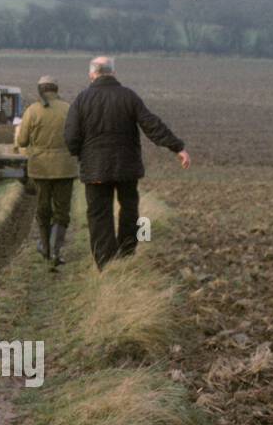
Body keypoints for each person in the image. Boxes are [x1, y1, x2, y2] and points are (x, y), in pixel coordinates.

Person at [64, 56, 191, 270]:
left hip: (95, 170)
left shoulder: (81, 99)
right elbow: (151, 124)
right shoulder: (129, 97)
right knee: (130, 209)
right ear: (113, 73)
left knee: (99, 214)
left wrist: (80, 154)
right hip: (127, 168)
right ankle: (127, 253)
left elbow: (71, 137)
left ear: (92, 74)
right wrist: (177, 147)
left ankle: (105, 263)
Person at [15, 76, 78, 271]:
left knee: (43, 210)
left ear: (40, 90)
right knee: (62, 211)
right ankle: (55, 251)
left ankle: (45, 248)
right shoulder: (69, 109)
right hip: (64, 168)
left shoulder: (32, 110)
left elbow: (23, 141)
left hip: (40, 168)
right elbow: (77, 138)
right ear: (56, 89)